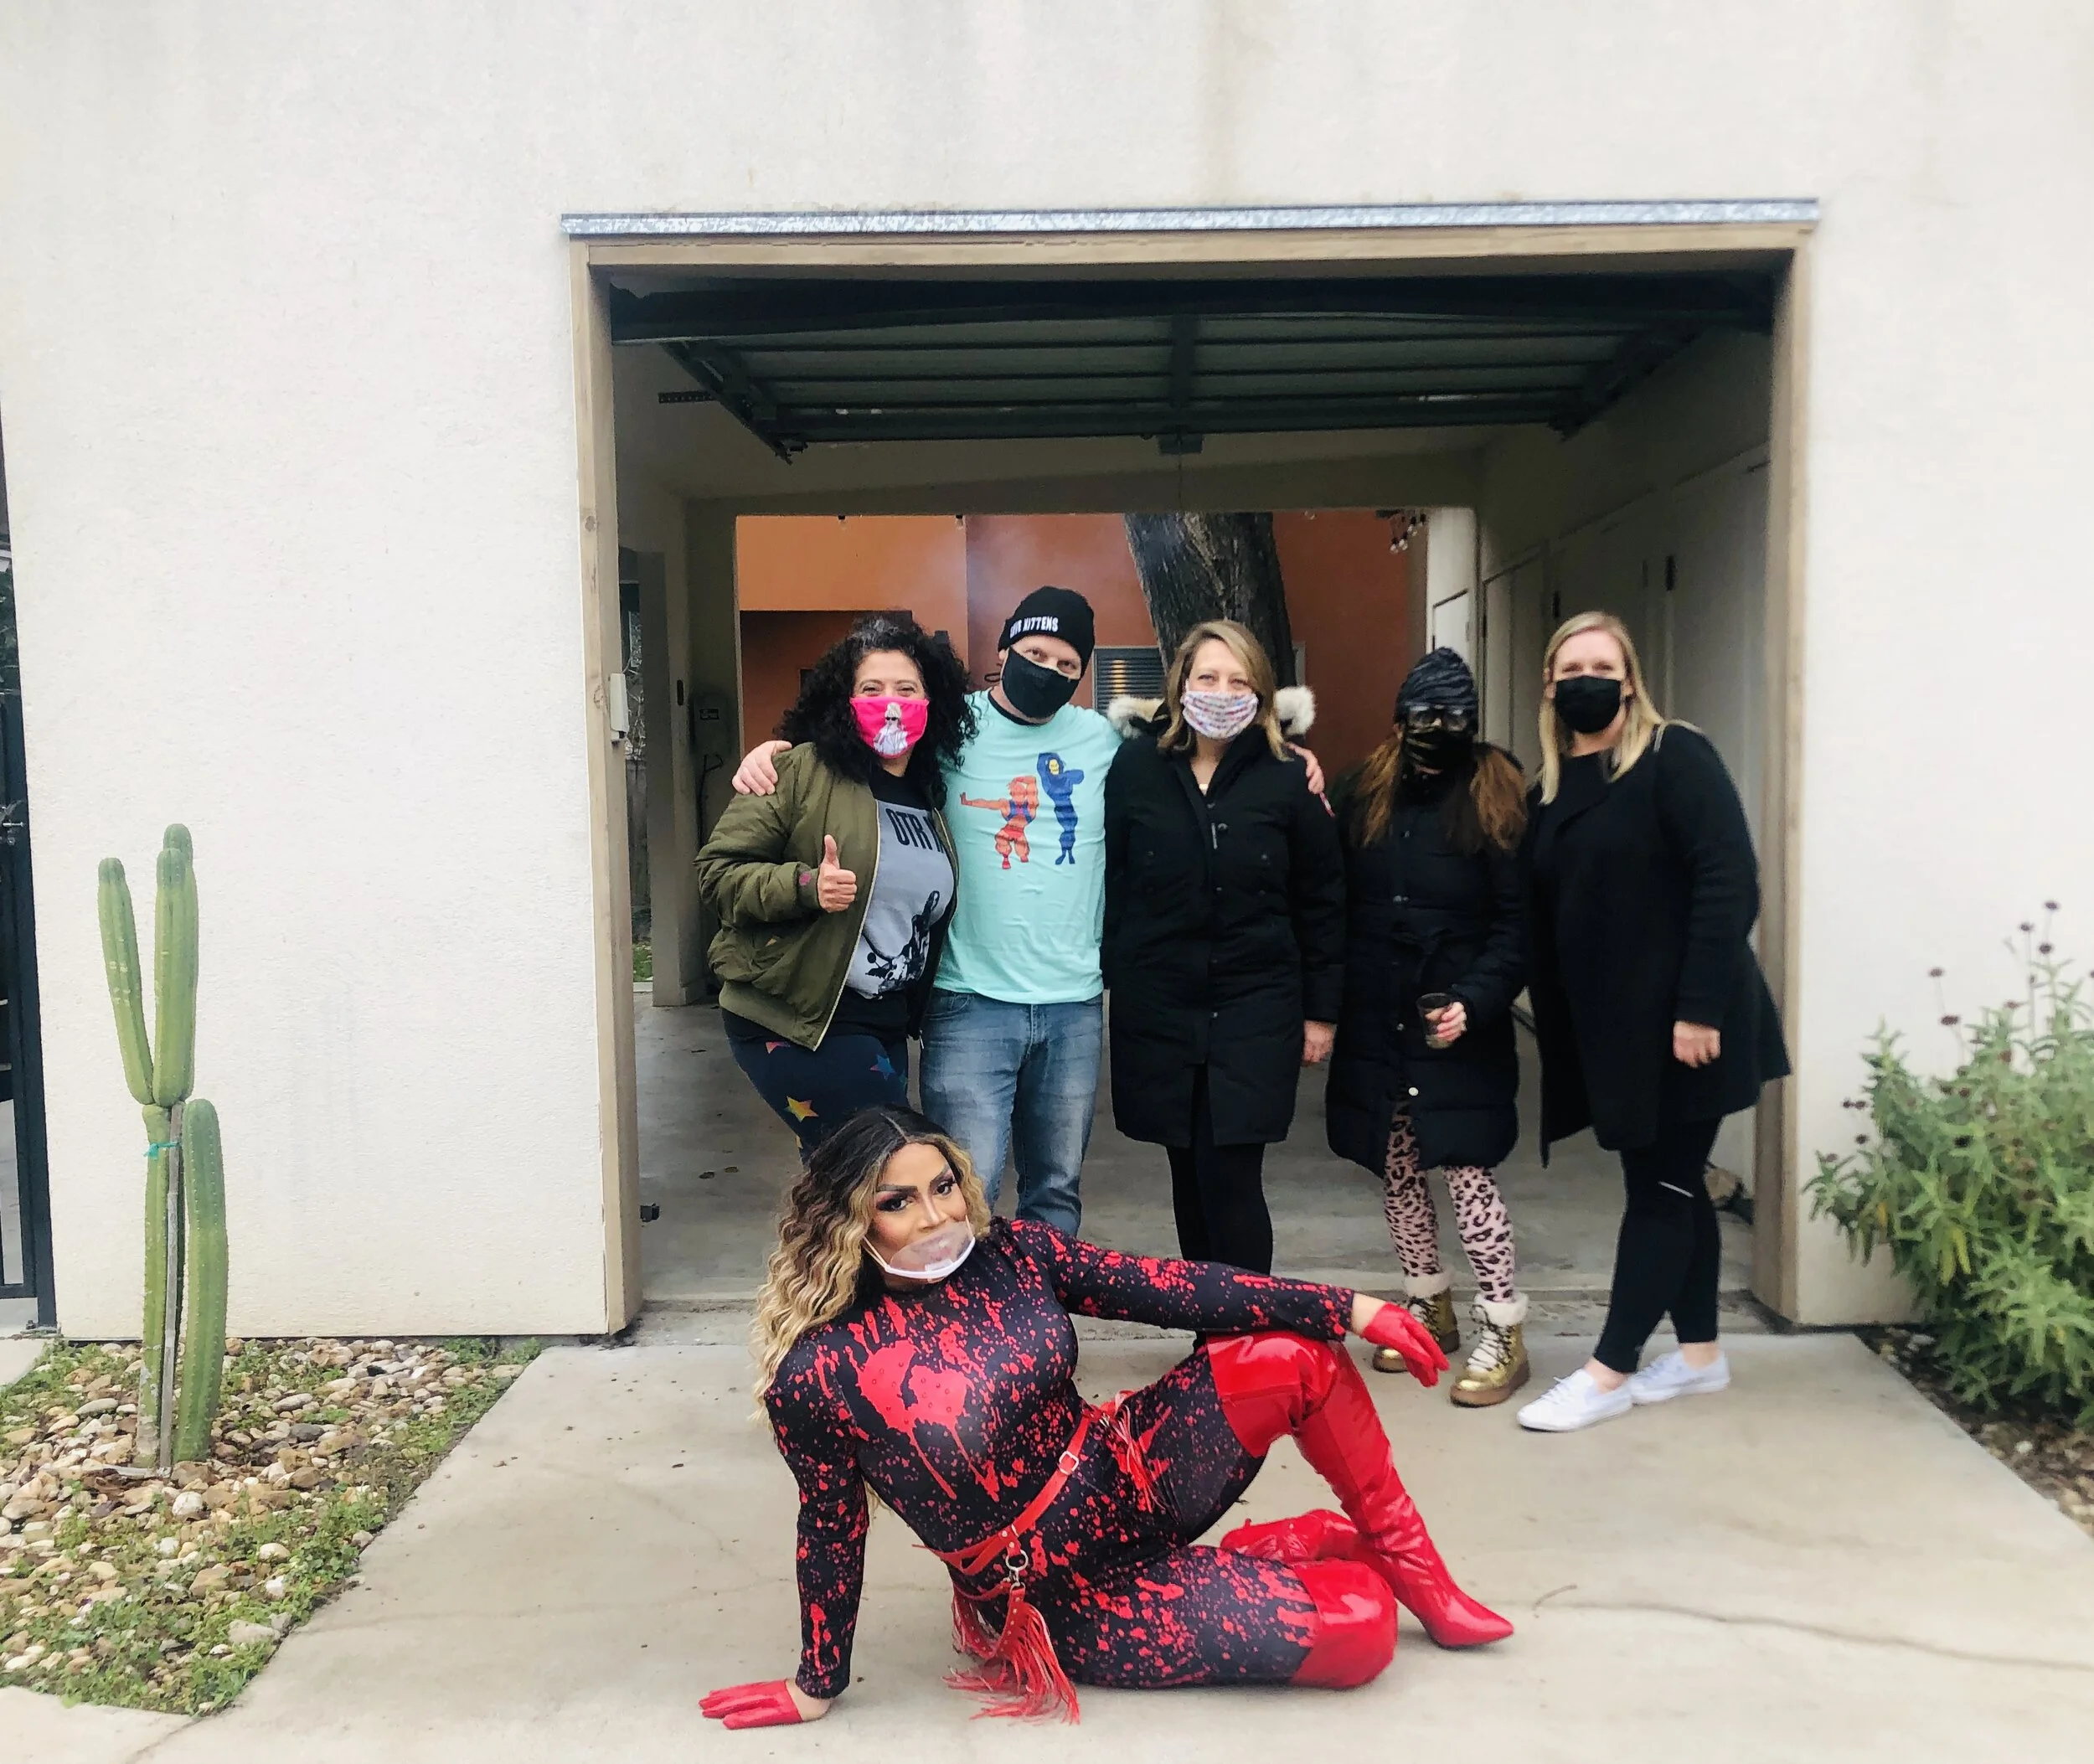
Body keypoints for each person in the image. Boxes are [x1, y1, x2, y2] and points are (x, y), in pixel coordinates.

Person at [699, 1106, 1510, 1732]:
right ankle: (1291, 1548)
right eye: (897, 1201)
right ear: (848, 1220)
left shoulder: (1012, 1252)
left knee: (1291, 1356)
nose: (936, 1216)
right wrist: (815, 1682)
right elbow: (831, 1529)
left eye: (943, 1185)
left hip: (1130, 1470)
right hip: (1064, 1591)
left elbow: (1173, 1286)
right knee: (1360, 1630)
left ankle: (1423, 1578)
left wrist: (1346, 1307)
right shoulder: (818, 1374)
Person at [729, 585, 1326, 1237]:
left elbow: (1203, 748)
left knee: (1056, 1189)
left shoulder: (1109, 744)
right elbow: (862, 748)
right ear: (1007, 647)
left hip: (1073, 1006)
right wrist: (775, 749)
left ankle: (1041, 1323)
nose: (1050, 671)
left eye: (1069, 666)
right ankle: (968, 1328)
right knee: (960, 1187)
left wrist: (1290, 757)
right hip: (969, 1000)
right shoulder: (951, 729)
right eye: (1036, 652)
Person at [1513, 611, 1790, 1433]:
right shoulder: (1551, 789)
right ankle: (1700, 1356)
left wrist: (1698, 1007)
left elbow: (1727, 879)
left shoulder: (1677, 758)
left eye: (1601, 664)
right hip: (1620, 1036)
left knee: (1663, 1191)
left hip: (1689, 1028)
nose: (1585, 679)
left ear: (1630, 679)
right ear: (1550, 687)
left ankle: (1608, 1370)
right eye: (1570, 668)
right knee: (1663, 1185)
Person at [1325, 647, 1534, 1406]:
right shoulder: (1364, 791)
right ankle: (1428, 1302)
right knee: (1399, 1163)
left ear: (1473, 725)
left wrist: (1477, 1000)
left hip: (1458, 1022)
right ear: (1397, 720)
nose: (1436, 729)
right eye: (1423, 715)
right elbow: (1332, 889)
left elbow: (1518, 925)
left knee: (1469, 1169)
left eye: (1452, 717)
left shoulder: (1498, 796)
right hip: (1379, 1015)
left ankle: (1503, 1324)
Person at [1103, 620, 1344, 1274]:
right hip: (1160, 1006)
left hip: (1255, 1006)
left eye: (1239, 680)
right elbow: (1116, 879)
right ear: (1181, 685)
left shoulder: (1289, 777)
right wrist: (1115, 974)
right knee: (1186, 1172)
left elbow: (1322, 898)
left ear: (1262, 694)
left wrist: (1321, 1012)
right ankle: (1214, 1333)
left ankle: (1246, 1335)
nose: (1221, 691)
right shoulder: (1136, 767)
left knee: (1230, 1172)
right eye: (1207, 677)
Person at [695, 615, 971, 1155]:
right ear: (843, 701)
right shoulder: (796, 771)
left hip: (885, 1020)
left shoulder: (929, 793)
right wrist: (804, 886)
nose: (890, 702)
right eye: (871, 688)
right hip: (800, 1018)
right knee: (891, 1168)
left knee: (844, 1185)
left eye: (906, 689)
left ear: (930, 701)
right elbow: (717, 873)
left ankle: (816, 1244)